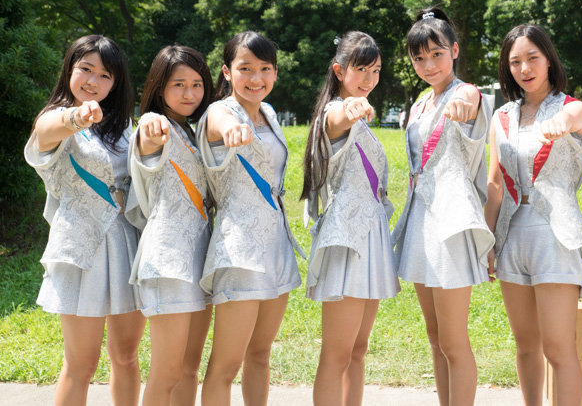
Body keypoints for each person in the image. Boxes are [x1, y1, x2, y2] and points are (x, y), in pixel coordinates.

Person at [24, 35, 143, 406]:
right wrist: (77, 116)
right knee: (81, 364)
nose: (93, 81)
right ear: (69, 69)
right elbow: (46, 131)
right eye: (85, 69)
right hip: (80, 250)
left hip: (127, 245)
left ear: (116, 83)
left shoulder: (124, 128)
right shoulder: (55, 119)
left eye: (105, 75)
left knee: (126, 356)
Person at [484, 24, 582, 405]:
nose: (524, 68)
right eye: (515, 62)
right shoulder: (501, 117)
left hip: (555, 235)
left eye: (533, 58)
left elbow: (577, 117)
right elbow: (495, 183)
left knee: (559, 348)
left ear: (549, 60)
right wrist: (488, 242)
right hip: (512, 234)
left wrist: (561, 123)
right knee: (525, 345)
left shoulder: (571, 107)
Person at [392, 7, 495, 406]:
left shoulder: (467, 94)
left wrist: (466, 97)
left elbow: (471, 97)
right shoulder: (420, 104)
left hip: (451, 222)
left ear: (454, 50)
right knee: (435, 337)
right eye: (419, 58)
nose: (429, 64)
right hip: (420, 220)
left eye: (437, 54)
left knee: (453, 340)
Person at [196, 31, 304, 405]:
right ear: (227, 72)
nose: (256, 78)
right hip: (239, 250)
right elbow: (221, 123)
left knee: (260, 355)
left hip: (276, 245)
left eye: (265, 68)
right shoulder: (220, 112)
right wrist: (233, 130)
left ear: (275, 72)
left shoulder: (270, 114)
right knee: (226, 365)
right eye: (245, 68)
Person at [301, 32, 400, 406]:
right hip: (346, 240)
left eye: (375, 70)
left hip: (370, 238)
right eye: (361, 69)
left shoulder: (359, 114)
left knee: (358, 350)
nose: (369, 79)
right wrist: (353, 107)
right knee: (337, 354)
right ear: (339, 70)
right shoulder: (334, 112)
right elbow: (338, 117)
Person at [126, 45, 213, 406]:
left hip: (199, 258)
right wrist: (149, 122)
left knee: (189, 370)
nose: (189, 93)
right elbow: (149, 134)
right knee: (166, 374)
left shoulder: (192, 132)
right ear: (159, 87)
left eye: (196, 84)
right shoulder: (155, 126)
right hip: (167, 261)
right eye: (178, 84)